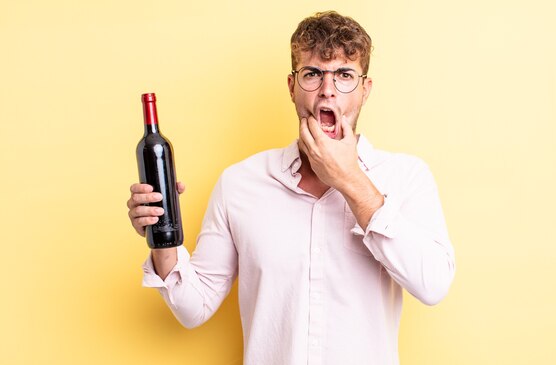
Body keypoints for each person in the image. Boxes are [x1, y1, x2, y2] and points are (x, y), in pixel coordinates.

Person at [127, 10, 455, 365]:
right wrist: (163, 236)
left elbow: (433, 284)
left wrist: (349, 180)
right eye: (313, 74)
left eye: (345, 75)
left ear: (364, 90)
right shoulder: (240, 184)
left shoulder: (405, 177)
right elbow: (194, 307)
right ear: (292, 87)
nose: (328, 91)